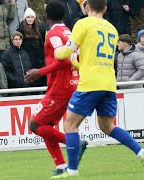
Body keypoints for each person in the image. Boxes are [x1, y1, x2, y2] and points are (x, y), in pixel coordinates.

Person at [53, 0, 144, 177]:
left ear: (86, 7)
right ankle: (141, 152)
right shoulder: (111, 29)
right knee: (107, 126)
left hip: (90, 84)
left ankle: (72, 170)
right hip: (108, 83)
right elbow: (93, 59)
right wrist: (76, 63)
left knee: (70, 124)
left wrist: (56, 51)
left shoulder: (82, 23)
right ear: (105, 9)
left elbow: (64, 52)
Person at [24, 2, 85, 176]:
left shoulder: (53, 33)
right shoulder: (69, 31)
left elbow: (63, 60)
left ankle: (74, 143)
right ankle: (60, 165)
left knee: (35, 125)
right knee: (47, 126)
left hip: (60, 87)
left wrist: (40, 72)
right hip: (71, 83)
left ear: (46, 17)